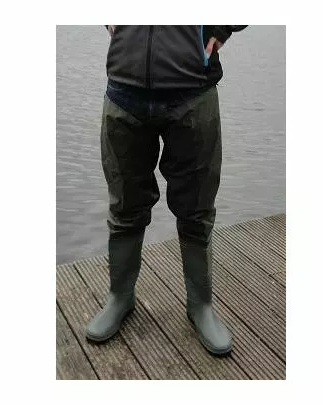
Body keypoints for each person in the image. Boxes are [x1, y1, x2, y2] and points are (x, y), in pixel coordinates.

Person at [85, 25, 248, 356]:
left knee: (196, 209)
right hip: (124, 92)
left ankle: (200, 305)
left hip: (192, 93)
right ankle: (120, 297)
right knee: (125, 205)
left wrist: (221, 26)